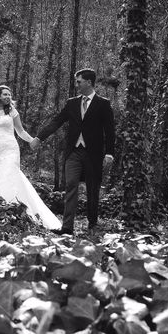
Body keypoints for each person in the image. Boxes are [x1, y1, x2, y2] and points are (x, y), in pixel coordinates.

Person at [30, 68, 115, 235]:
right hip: (74, 152)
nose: (76, 85)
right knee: (70, 185)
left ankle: (92, 225)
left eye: (79, 81)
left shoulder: (103, 104)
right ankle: (67, 227)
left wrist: (109, 153)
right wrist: (39, 137)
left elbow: (110, 131)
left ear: (89, 82)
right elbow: (57, 121)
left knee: (92, 189)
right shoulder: (72, 103)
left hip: (94, 154)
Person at [0, 85, 61, 230]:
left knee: (9, 174)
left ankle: (12, 209)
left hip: (10, 149)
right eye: (5, 94)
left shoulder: (12, 112)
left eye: (9, 94)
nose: (8, 97)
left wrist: (32, 140)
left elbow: (20, 131)